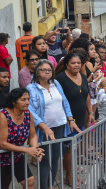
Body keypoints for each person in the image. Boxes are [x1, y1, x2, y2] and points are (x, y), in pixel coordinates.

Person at [26, 59, 81, 188]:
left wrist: (70, 119)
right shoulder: (31, 88)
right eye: (43, 70)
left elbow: (65, 101)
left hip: (60, 125)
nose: (47, 72)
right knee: (45, 160)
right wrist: (44, 127)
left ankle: (50, 185)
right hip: (44, 129)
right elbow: (30, 111)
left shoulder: (55, 83)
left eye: (49, 70)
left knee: (56, 157)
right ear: (37, 72)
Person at [55, 52, 93, 185]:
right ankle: (69, 177)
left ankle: (72, 173)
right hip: (68, 121)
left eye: (78, 63)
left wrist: (91, 113)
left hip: (81, 118)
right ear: (66, 64)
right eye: (73, 63)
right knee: (69, 149)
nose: (76, 65)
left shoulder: (83, 76)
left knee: (74, 148)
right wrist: (68, 119)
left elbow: (87, 95)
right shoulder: (60, 79)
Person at [0, 88, 45, 189]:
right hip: (2, 157)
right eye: (23, 100)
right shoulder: (3, 116)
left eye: (28, 99)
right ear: (13, 102)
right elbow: (2, 143)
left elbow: (32, 136)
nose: (27, 102)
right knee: (4, 185)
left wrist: (35, 149)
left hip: (16, 155)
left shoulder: (28, 115)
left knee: (30, 181)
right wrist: (27, 150)